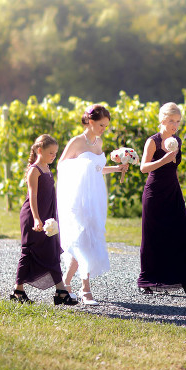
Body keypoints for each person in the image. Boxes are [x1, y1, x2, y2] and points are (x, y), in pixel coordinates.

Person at [57, 104, 128, 305]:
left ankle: (65, 283)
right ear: (90, 121)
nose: (103, 129)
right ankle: (85, 289)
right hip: (78, 197)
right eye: (101, 125)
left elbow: (97, 168)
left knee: (88, 238)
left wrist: (115, 168)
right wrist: (82, 167)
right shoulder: (76, 142)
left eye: (106, 126)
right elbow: (62, 166)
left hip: (95, 195)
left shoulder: (98, 142)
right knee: (82, 238)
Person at [137, 102, 186, 295]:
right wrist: (163, 160)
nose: (175, 125)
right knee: (153, 237)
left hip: (173, 192)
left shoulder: (178, 140)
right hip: (154, 193)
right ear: (163, 120)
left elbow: (173, 169)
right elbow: (143, 167)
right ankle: (146, 281)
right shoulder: (153, 141)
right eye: (172, 121)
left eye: (178, 121)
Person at [10, 134, 78, 305]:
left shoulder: (47, 169)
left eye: (55, 153)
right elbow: (32, 196)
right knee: (29, 252)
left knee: (52, 251)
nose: (53, 156)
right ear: (39, 150)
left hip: (48, 217)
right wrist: (36, 219)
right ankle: (18, 291)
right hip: (34, 217)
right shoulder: (35, 170)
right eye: (50, 153)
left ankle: (60, 292)